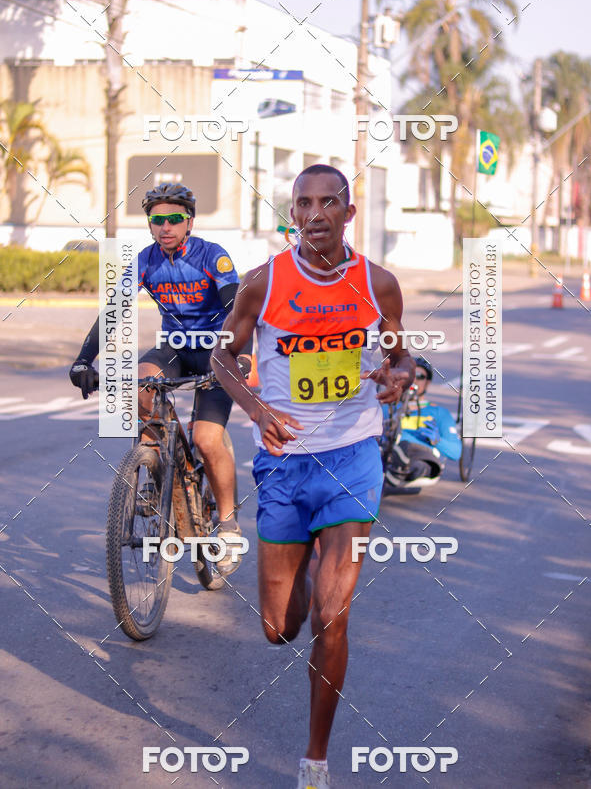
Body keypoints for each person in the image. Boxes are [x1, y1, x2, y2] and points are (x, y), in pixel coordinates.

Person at [211, 164, 415, 788]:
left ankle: (314, 761)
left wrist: (398, 374)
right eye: (305, 203)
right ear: (293, 213)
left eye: (330, 202)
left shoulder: (378, 283)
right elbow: (223, 354)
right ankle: (293, 574)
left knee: (334, 615)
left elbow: (400, 350)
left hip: (352, 455)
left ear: (348, 214)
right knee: (280, 628)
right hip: (282, 463)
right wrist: (256, 406)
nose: (317, 213)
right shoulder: (261, 283)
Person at [69, 182, 251, 575]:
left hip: (216, 351)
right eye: (157, 220)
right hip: (173, 347)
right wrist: (85, 359)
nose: (165, 227)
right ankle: (152, 466)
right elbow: (114, 311)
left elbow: (235, 306)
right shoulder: (145, 260)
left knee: (205, 437)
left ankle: (228, 524)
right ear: (150, 225)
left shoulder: (211, 255)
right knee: (141, 386)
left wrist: (244, 352)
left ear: (189, 222)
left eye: (174, 219)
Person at [383, 355, 461, 495]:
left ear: (428, 383)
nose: (414, 380)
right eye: (410, 375)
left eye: (420, 376)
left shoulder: (439, 413)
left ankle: (395, 473)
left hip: (422, 456)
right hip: (387, 452)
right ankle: (393, 470)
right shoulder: (386, 407)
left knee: (413, 458)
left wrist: (438, 441)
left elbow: (456, 452)